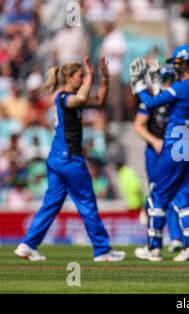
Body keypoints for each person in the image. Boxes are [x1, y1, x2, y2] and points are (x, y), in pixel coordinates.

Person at [14, 57, 125, 262]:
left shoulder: (70, 97)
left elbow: (99, 100)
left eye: (83, 76)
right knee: (87, 203)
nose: (82, 80)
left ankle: (27, 245)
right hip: (69, 159)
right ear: (68, 78)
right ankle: (102, 250)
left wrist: (105, 79)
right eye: (79, 76)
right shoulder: (64, 97)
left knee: (51, 204)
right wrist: (91, 75)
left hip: (57, 159)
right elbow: (82, 100)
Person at [129, 45, 189, 262]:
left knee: (158, 195)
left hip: (177, 142)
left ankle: (153, 248)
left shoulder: (183, 86)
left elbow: (151, 103)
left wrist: (138, 84)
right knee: (184, 196)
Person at [133, 64, 184, 259]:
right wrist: (154, 141)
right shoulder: (154, 99)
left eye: (170, 79)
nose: (168, 83)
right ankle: (158, 240)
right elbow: (138, 126)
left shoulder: (177, 97)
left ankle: (175, 239)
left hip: (174, 149)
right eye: (165, 79)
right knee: (159, 192)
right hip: (156, 151)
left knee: (172, 193)